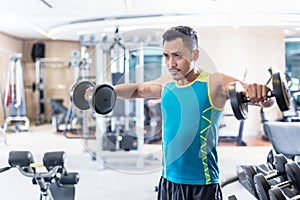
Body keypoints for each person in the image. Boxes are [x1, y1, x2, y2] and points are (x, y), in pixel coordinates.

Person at [87, 26, 274, 200]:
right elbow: (138, 90)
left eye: (177, 55)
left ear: (195, 55)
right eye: (166, 56)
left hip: (202, 184)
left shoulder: (214, 83)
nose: (171, 63)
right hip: (168, 181)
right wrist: (101, 91)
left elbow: (261, 98)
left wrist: (262, 94)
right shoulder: (167, 84)